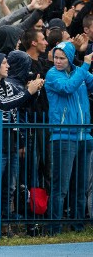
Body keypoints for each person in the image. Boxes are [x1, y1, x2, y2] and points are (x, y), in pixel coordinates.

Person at [0, 52, 42, 220]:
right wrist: (28, 92)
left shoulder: (8, 85)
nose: (8, 66)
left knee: (10, 185)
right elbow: (2, 105)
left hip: (11, 141)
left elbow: (22, 104)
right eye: (4, 63)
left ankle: (6, 217)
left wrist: (35, 90)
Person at [44, 41, 93, 234]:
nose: (57, 61)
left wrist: (85, 69)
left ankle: (78, 226)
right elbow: (68, 88)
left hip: (84, 137)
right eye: (56, 57)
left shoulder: (79, 72)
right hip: (63, 136)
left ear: (70, 58)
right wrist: (86, 66)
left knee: (81, 187)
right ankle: (55, 228)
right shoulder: (52, 75)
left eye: (62, 58)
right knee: (61, 187)